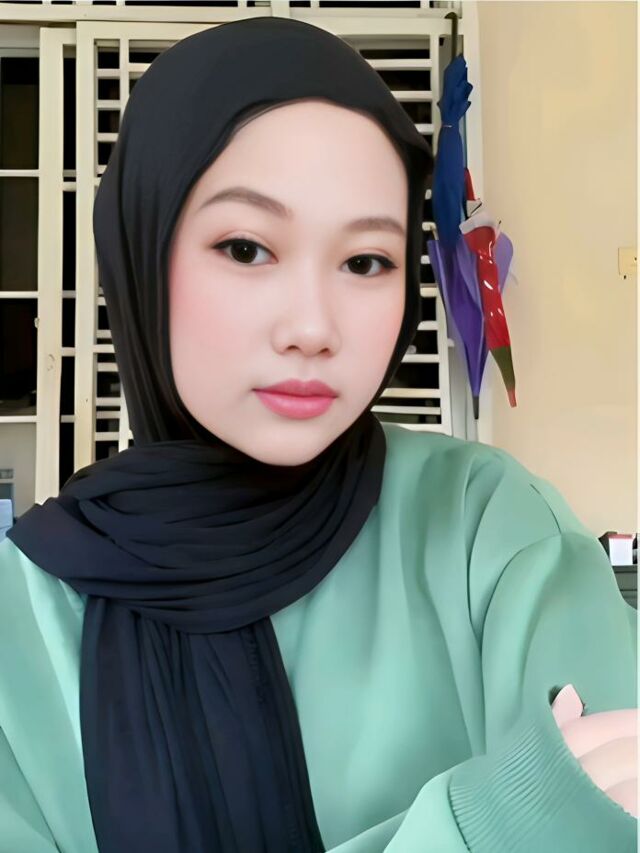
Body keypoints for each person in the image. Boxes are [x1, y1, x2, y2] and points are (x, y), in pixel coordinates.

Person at [0, 16, 636, 853]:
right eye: (246, 247)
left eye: (366, 261)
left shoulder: (490, 529)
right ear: (143, 253)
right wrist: (483, 827)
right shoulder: (22, 619)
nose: (312, 327)